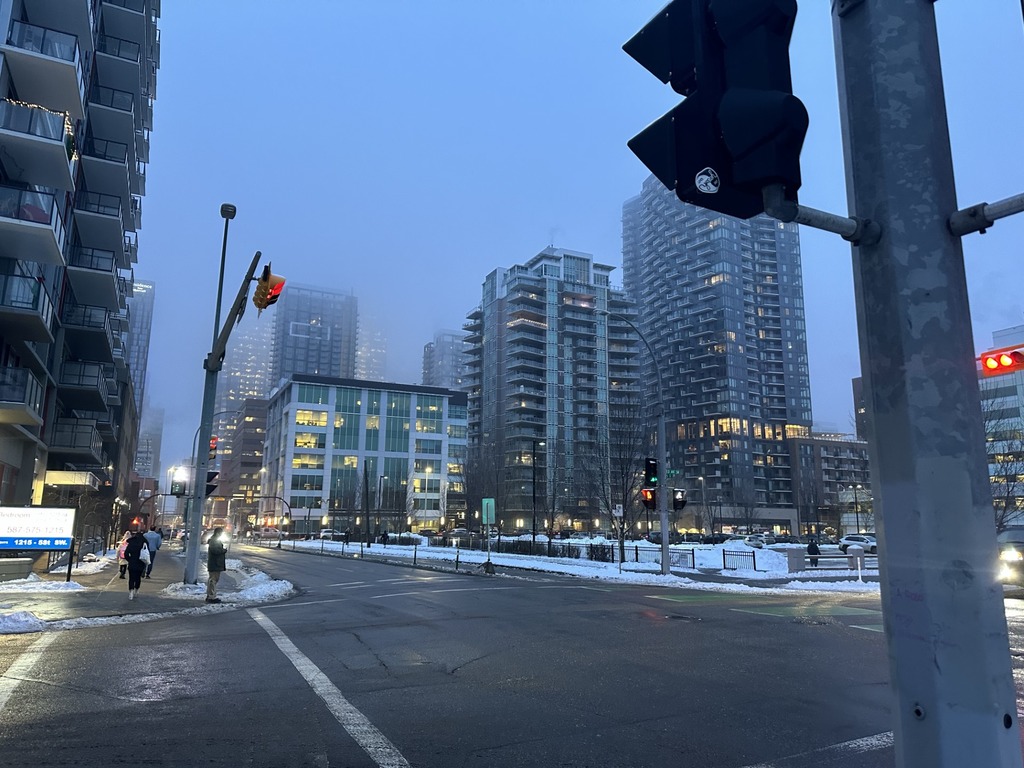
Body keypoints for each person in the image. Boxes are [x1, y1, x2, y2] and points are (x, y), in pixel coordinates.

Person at [123, 531, 150, 599]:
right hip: (141, 562)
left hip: (132, 562)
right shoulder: (144, 543)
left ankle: (131, 592)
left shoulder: (131, 543)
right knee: (138, 577)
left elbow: (126, 553)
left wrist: (129, 559)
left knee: (131, 578)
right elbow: (147, 553)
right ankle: (136, 590)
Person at [206, 526, 226, 604]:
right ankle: (211, 596)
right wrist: (223, 550)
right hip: (215, 563)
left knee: (213, 580)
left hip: (215, 563)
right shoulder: (214, 541)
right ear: (218, 533)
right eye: (221, 533)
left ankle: (210, 595)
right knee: (213, 580)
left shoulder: (214, 540)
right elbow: (215, 551)